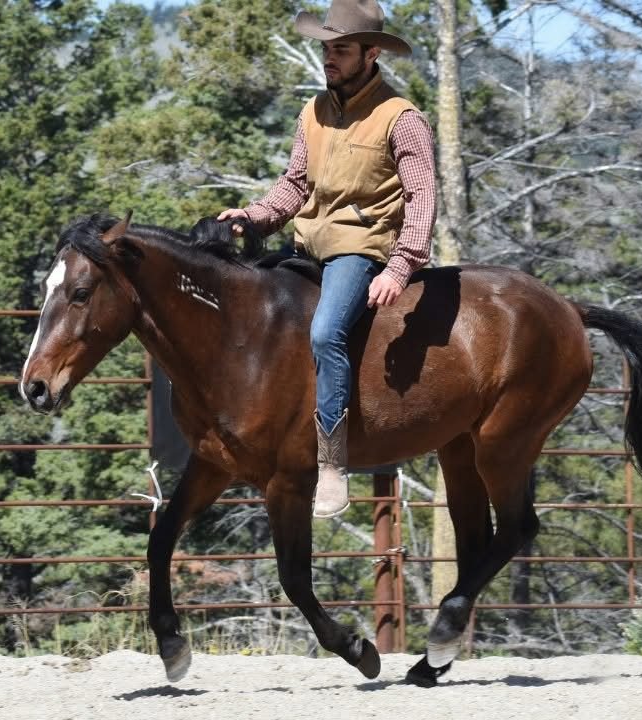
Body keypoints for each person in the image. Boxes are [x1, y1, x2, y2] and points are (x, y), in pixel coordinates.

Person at [218, 0, 436, 519]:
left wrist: (400, 266)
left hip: (359, 249)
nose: (329, 58)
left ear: (371, 54)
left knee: (324, 333)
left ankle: (332, 463)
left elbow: (422, 198)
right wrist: (252, 217)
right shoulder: (312, 112)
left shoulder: (401, 118)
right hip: (307, 246)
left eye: (341, 49)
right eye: (326, 48)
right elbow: (294, 186)